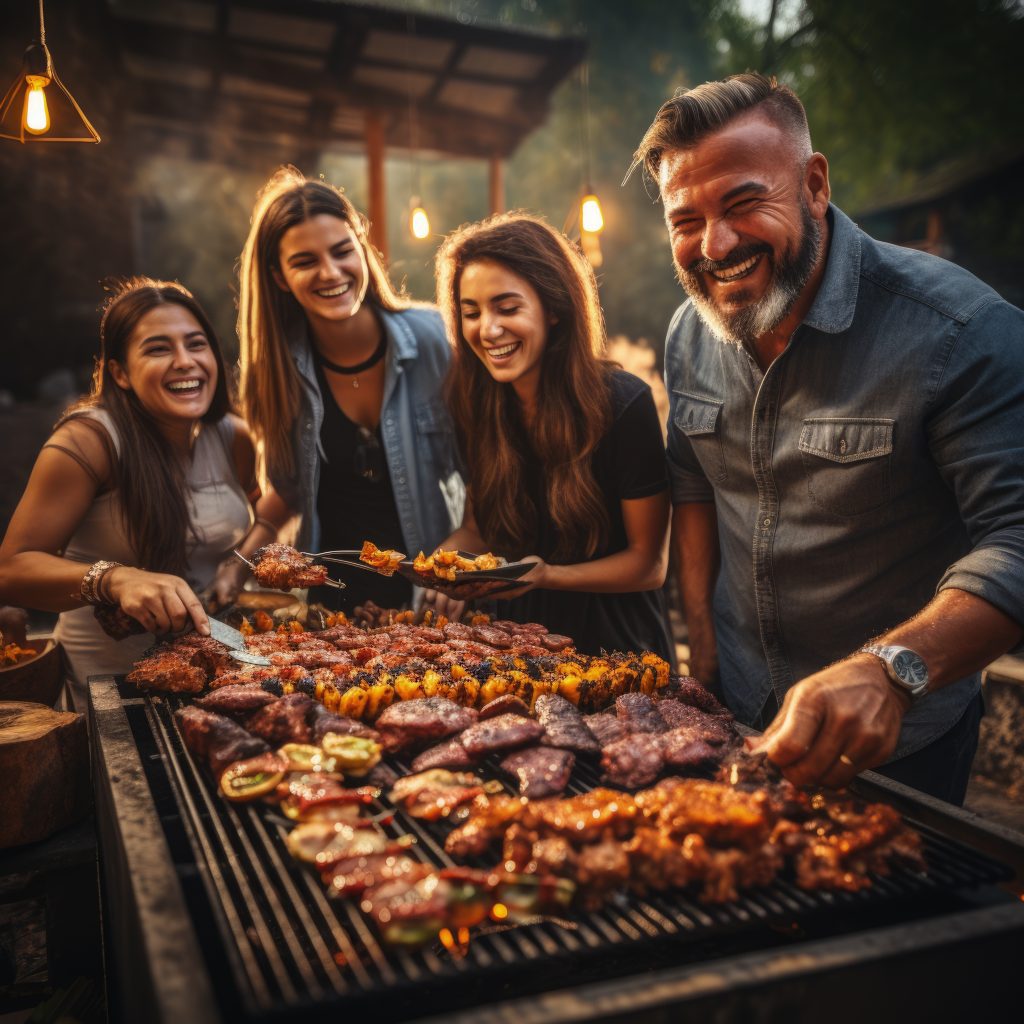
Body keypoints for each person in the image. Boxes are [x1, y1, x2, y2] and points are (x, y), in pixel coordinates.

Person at [633, 72, 1024, 803]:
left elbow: (1017, 535)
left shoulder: (963, 333)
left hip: (900, 736)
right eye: (685, 221)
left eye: (744, 202)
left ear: (813, 184)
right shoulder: (688, 335)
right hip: (736, 713)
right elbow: (693, 478)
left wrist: (892, 670)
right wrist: (703, 651)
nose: (715, 244)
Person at [0, 278, 273, 709]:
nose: (185, 362)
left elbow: (263, 517)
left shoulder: (234, 437)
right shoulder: (88, 442)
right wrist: (116, 579)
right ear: (120, 373)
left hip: (217, 681)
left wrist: (232, 569)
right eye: (159, 349)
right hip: (107, 691)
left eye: (196, 344)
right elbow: (11, 571)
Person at [426, 213, 673, 661]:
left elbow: (649, 565)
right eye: (471, 313)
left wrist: (548, 575)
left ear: (554, 308)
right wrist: (441, 565)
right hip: (517, 653)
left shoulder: (623, 403)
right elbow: (477, 530)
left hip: (618, 654)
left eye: (507, 307)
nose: (488, 329)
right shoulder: (475, 405)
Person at [237, 166, 462, 613]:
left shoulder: (436, 337)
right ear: (279, 277)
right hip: (331, 613)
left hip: (434, 602)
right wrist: (237, 563)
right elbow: (286, 489)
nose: (330, 272)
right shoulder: (276, 369)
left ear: (363, 247)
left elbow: (488, 474)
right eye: (304, 262)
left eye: (343, 251)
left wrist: (458, 557)